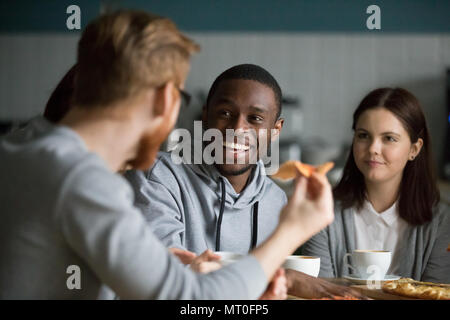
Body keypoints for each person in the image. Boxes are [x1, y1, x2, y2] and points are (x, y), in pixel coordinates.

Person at [0, 11, 335, 299]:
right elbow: (192, 300)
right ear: (164, 99)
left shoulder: (21, 150)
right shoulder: (83, 180)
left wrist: (154, 266)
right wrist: (292, 231)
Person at [125, 64, 365, 299]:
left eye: (255, 118)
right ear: (206, 116)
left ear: (276, 129)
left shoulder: (276, 200)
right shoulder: (158, 174)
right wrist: (280, 276)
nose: (238, 129)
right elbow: (163, 280)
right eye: (225, 113)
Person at [300, 87, 450, 283]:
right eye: (363, 135)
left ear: (414, 149)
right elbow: (319, 292)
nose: (373, 149)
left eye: (389, 138)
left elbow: (435, 294)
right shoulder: (321, 212)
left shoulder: (443, 222)